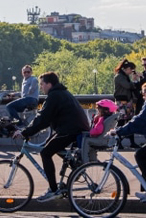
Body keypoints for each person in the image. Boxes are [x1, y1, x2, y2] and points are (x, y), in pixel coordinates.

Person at [14, 72, 90, 202]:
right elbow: (45, 119)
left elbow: (42, 119)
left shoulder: (54, 96)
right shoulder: (60, 93)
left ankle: (54, 190)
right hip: (73, 128)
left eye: (42, 84)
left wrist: (25, 132)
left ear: (49, 84)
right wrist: (30, 130)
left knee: (45, 153)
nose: (41, 87)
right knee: (49, 146)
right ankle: (75, 166)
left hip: (70, 129)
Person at [113, 58, 141, 148]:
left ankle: (131, 142)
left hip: (127, 102)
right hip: (121, 102)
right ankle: (118, 142)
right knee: (121, 121)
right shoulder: (119, 77)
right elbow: (128, 86)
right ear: (126, 68)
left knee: (129, 121)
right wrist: (134, 81)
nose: (131, 72)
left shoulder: (124, 76)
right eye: (130, 70)